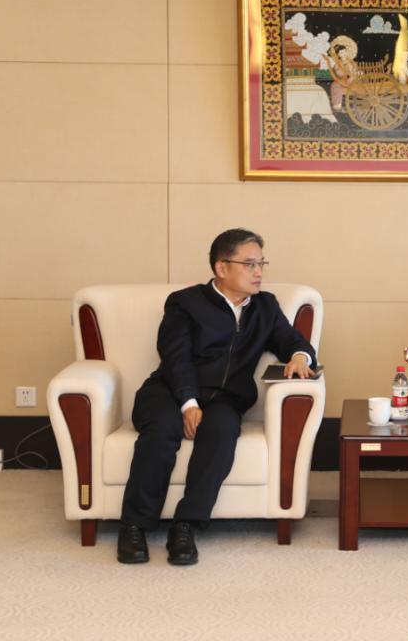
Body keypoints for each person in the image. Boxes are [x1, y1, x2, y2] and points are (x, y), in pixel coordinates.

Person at [117, 228, 316, 566]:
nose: (258, 272)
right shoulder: (185, 303)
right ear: (221, 267)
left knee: (222, 432)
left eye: (261, 264)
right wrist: (189, 403)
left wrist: (299, 356)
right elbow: (175, 357)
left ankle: (186, 526)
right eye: (249, 264)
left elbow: (292, 340)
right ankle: (134, 525)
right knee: (163, 430)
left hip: (224, 398)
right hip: (168, 391)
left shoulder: (264, 306)